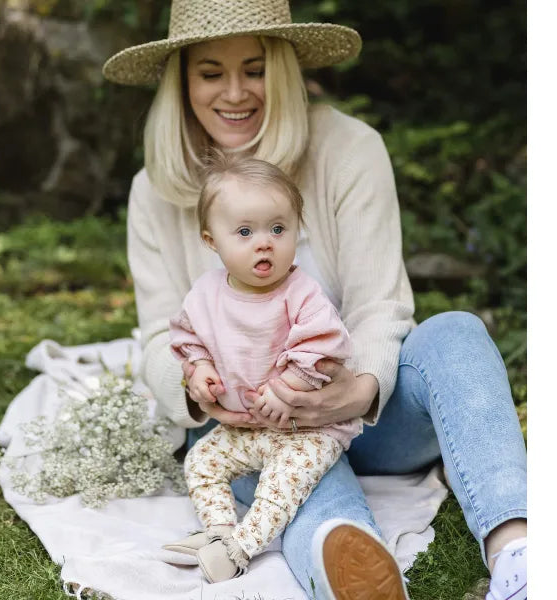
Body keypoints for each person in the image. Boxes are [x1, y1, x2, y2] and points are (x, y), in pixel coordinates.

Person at [102, 1, 527, 598]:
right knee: (292, 478)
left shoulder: (349, 148)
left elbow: (382, 304)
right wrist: (197, 388)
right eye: (210, 72)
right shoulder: (154, 191)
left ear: (281, 69)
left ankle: (519, 557)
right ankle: (354, 566)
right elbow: (158, 338)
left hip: (366, 415)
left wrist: (357, 391)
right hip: (251, 423)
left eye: (253, 68)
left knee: (455, 330)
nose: (234, 92)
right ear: (182, 81)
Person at [163, 152, 362, 583]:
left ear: (296, 230)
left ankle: (240, 549)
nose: (265, 242)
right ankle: (218, 531)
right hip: (243, 427)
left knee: (280, 484)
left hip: (305, 429)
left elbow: (323, 347)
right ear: (211, 240)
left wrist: (287, 384)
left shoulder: (301, 293)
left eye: (278, 228)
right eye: (245, 231)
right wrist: (197, 370)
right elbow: (186, 337)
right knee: (200, 460)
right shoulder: (205, 294)